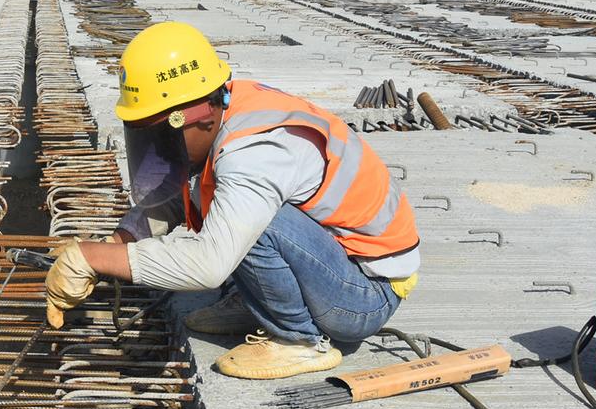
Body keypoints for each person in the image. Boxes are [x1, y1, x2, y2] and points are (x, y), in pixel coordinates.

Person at [44, 22, 420, 380]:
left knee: (255, 223)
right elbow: (175, 195)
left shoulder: (254, 153)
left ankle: (297, 339)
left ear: (199, 118)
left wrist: (90, 255)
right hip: (334, 264)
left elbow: (209, 265)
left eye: (161, 136)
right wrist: (115, 246)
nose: (157, 149)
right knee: (224, 202)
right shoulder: (224, 106)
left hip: (364, 297)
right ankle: (263, 301)